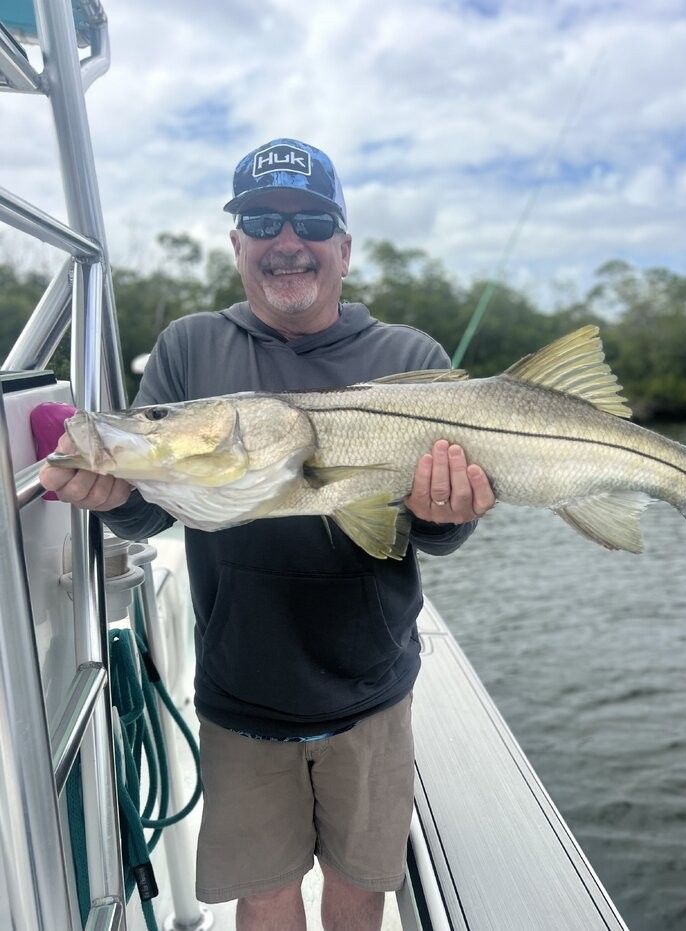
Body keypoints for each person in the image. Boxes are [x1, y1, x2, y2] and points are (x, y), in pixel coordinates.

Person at [40, 138, 495, 931]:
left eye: (312, 220)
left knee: (362, 887)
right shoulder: (190, 346)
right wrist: (113, 495)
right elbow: (154, 512)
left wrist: (446, 514)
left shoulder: (409, 358)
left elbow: (431, 535)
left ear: (344, 248)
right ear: (238, 245)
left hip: (371, 691)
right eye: (262, 220)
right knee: (264, 893)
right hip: (241, 689)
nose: (289, 241)